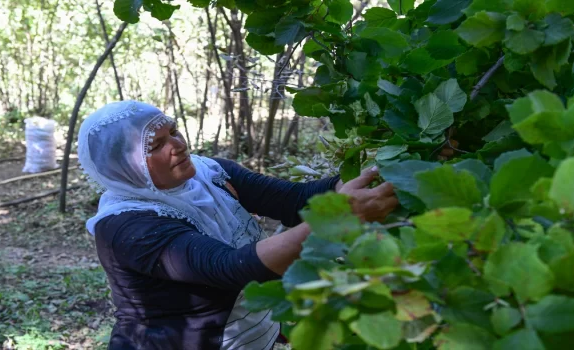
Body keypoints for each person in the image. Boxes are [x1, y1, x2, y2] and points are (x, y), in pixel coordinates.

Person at [77, 101, 399, 350]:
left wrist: (390, 168)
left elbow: (295, 200)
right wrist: (335, 220)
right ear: (124, 167)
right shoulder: (125, 227)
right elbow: (229, 268)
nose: (177, 144)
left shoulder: (209, 173)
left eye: (173, 131)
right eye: (156, 145)